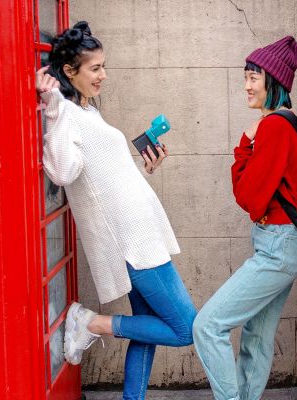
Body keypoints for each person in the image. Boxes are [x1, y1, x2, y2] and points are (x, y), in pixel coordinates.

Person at [36, 21, 196, 400]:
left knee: (146, 329)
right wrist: (53, 110)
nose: (103, 75)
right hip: (132, 242)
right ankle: (90, 322)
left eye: (104, 66)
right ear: (70, 71)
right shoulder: (65, 114)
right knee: (186, 327)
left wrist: (146, 164)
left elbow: (103, 172)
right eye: (95, 68)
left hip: (142, 231)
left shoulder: (87, 110)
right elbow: (62, 172)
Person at [192, 36, 297, 400]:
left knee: (208, 325)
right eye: (246, 76)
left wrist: (244, 144)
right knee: (257, 338)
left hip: (278, 247)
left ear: (274, 81)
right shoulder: (290, 122)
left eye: (254, 78)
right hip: (286, 244)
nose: (247, 86)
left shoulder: (274, 127)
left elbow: (248, 197)